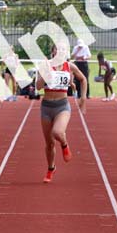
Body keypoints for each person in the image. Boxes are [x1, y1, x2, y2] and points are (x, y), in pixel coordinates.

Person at [36, 44, 88, 183]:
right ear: (53, 52)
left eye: (63, 50)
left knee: (57, 132)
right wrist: (46, 74)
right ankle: (51, 168)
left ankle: (65, 145)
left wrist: (83, 97)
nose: (60, 52)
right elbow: (38, 86)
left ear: (67, 53)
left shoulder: (69, 66)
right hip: (46, 106)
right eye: (57, 49)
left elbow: (83, 79)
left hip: (62, 106)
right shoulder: (45, 65)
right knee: (49, 144)